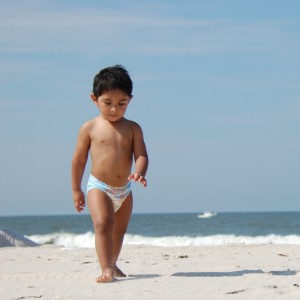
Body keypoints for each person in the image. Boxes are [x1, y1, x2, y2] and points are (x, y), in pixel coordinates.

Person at [71, 65, 148, 283]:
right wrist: (76, 189)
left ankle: (113, 263)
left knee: (119, 231)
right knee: (104, 224)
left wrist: (139, 172)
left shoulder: (133, 128)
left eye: (121, 104)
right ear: (94, 99)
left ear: (130, 100)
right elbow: (78, 160)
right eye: (108, 103)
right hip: (99, 187)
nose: (114, 109)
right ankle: (105, 268)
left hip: (124, 189)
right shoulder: (90, 128)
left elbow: (141, 155)